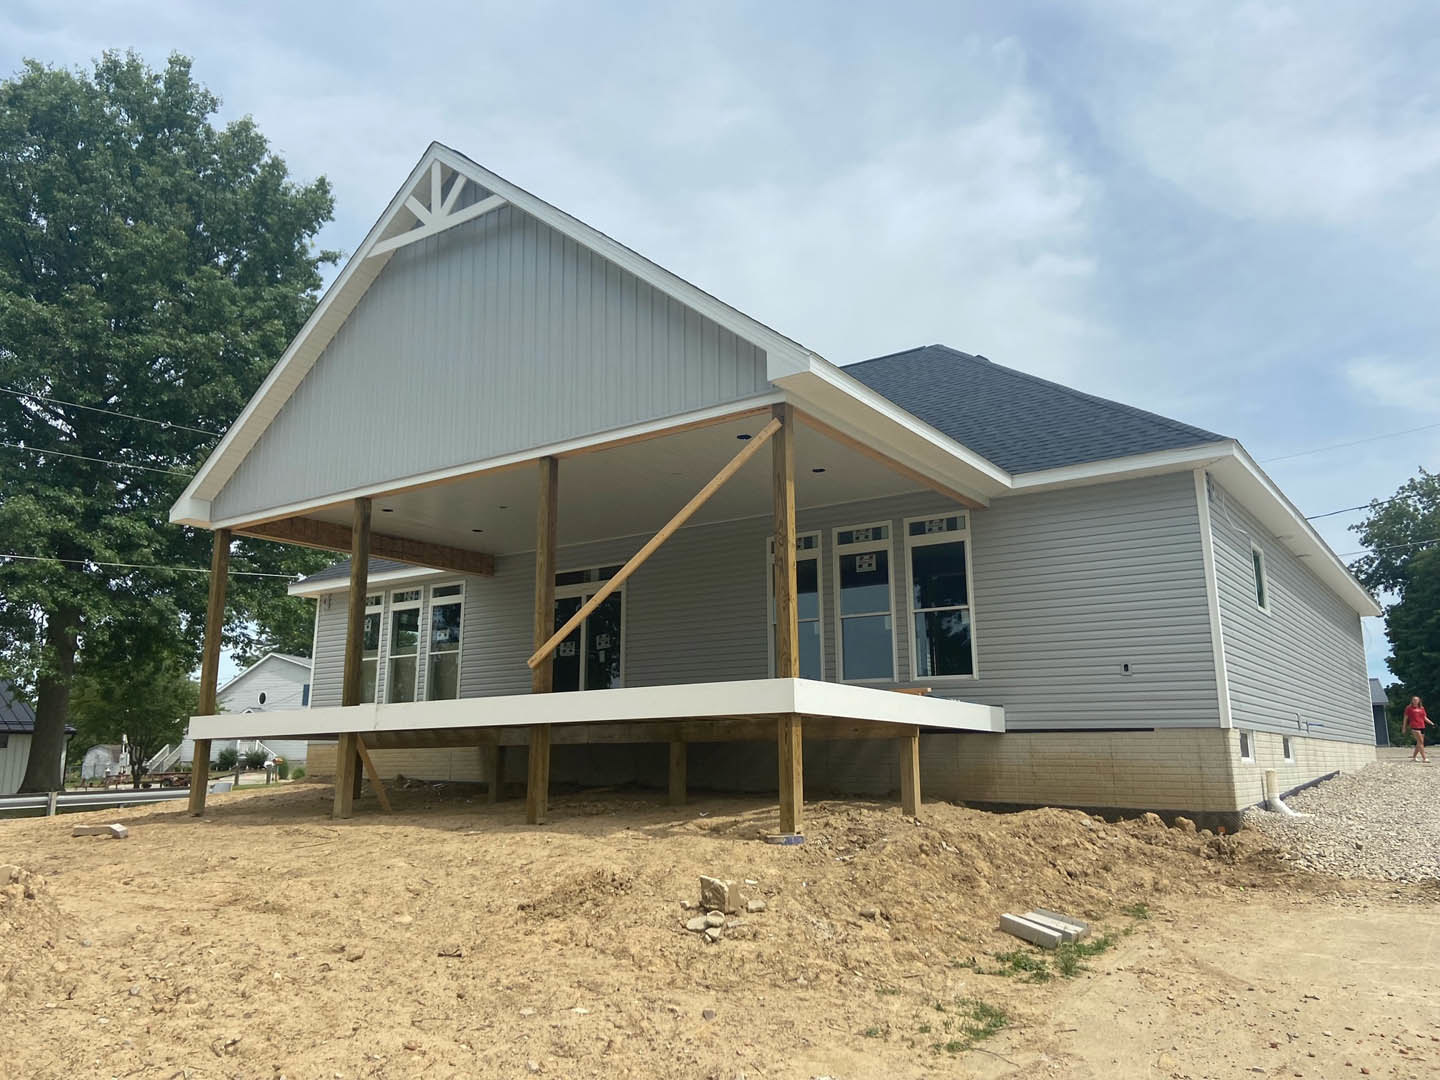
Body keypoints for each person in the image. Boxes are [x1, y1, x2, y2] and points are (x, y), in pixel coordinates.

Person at [1404, 696, 1432, 763]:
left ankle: (1414, 757)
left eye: (1416, 700)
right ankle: (1424, 758)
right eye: (1414, 700)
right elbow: (1405, 718)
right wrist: (1404, 727)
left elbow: (1424, 717)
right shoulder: (1409, 708)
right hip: (1414, 726)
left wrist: (1431, 723)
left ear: (1419, 701)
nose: (1415, 701)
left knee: (1419, 743)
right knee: (1421, 742)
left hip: (1422, 726)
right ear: (1412, 701)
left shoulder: (1422, 708)